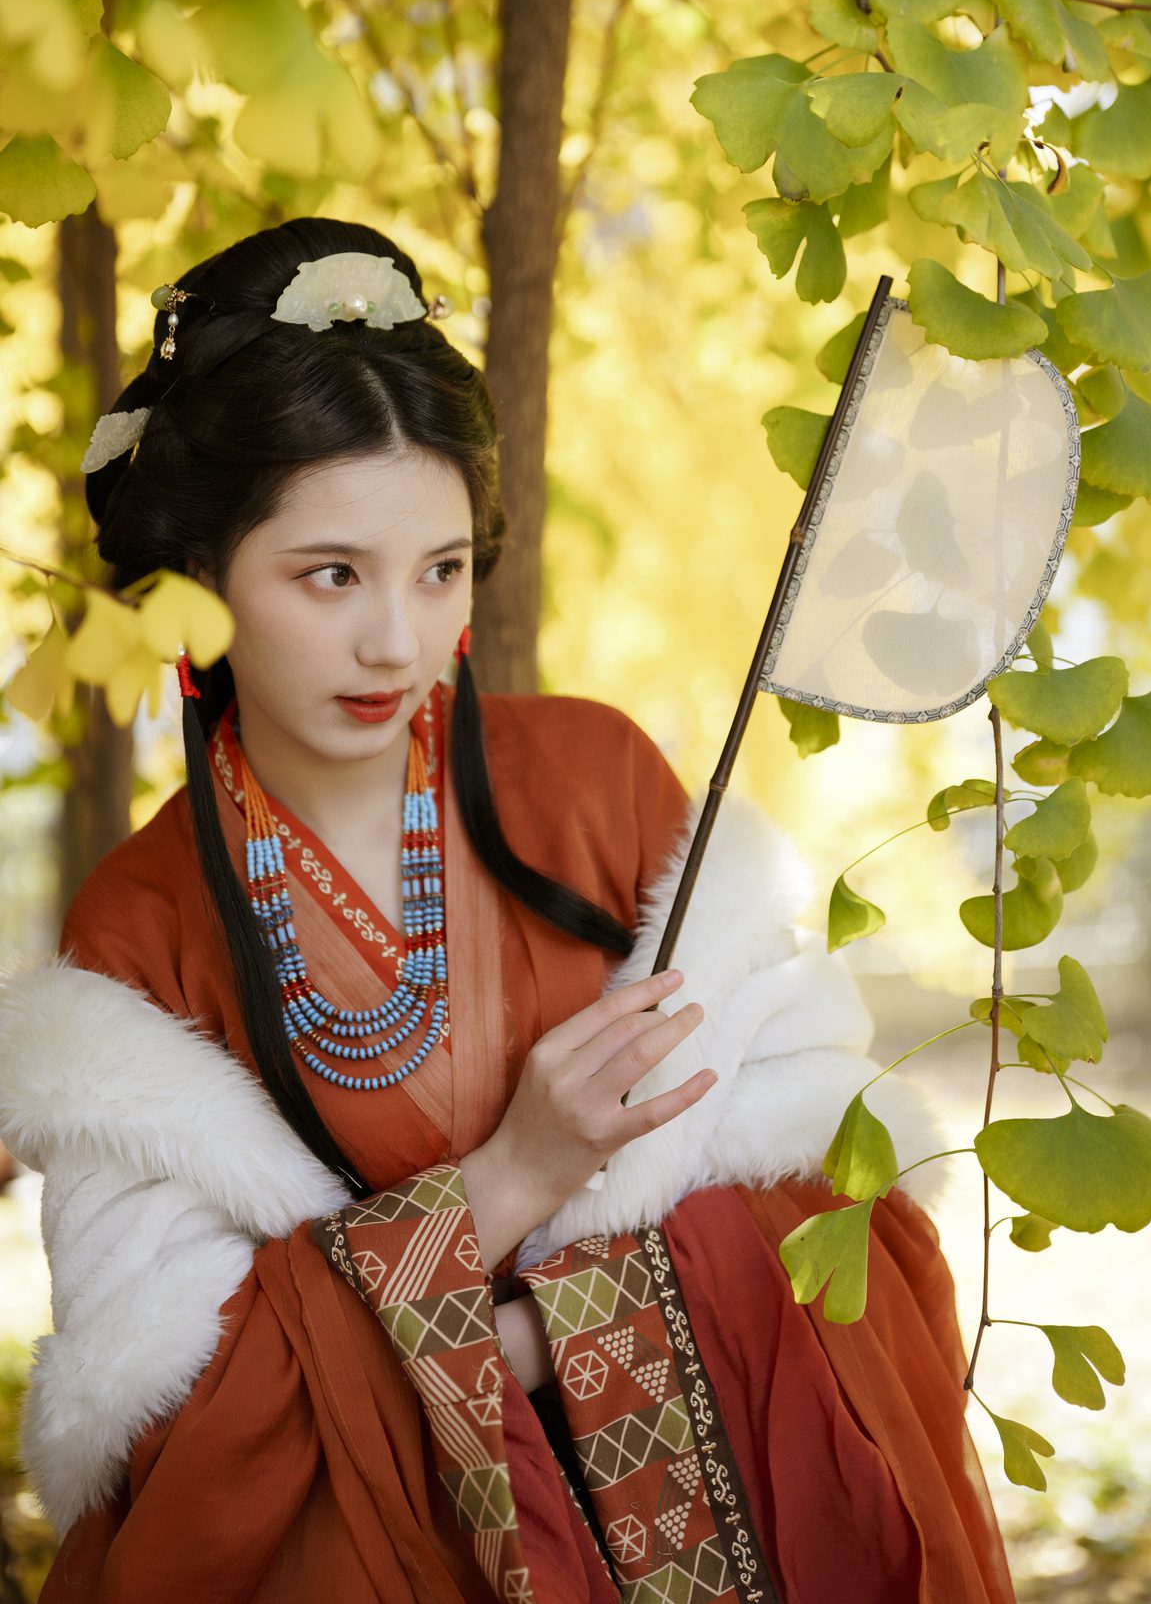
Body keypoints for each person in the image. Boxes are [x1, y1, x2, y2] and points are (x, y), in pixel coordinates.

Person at [0, 218, 1016, 1603]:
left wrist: (517, 1343)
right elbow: (176, 1421)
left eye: (441, 569)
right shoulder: (141, 929)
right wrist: (519, 1176)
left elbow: (838, 1195)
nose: (397, 640)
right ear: (201, 579)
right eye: (330, 574)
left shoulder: (601, 788)